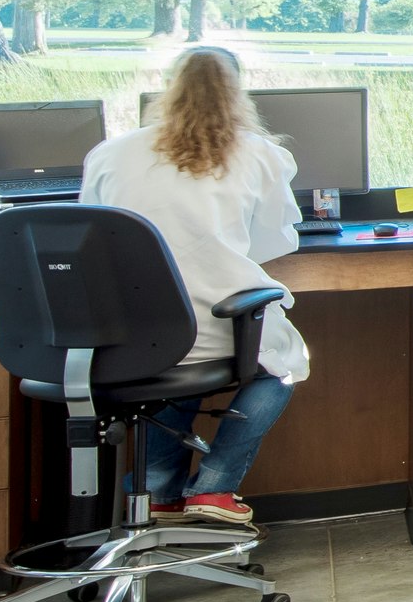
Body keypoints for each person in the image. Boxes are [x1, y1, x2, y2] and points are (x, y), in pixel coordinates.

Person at [77, 46, 306, 529]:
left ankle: (158, 493)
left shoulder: (110, 153)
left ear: (168, 89)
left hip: (127, 335)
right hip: (217, 321)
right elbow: (274, 241)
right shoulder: (260, 154)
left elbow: (87, 234)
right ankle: (215, 487)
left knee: (164, 368)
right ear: (237, 94)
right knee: (284, 366)